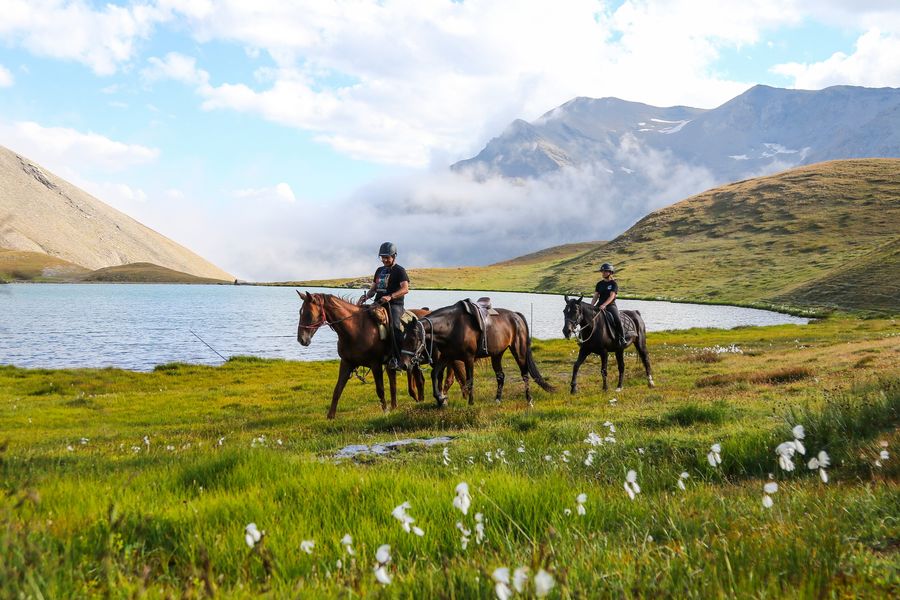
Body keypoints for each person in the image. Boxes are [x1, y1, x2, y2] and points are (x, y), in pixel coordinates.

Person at [358, 242, 410, 369]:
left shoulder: (400, 270)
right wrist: (366, 297)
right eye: (382, 257)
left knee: (394, 328)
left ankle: (397, 359)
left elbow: (405, 289)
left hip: (394, 305)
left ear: (394, 256)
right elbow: (374, 289)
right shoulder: (379, 270)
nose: (384, 260)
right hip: (378, 303)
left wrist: (390, 296)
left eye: (387, 257)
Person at [592, 262, 626, 347]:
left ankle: (622, 338)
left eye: (605, 271)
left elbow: (612, 296)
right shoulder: (599, 284)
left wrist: (605, 305)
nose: (603, 273)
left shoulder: (613, 284)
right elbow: (596, 296)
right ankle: (583, 337)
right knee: (588, 317)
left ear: (610, 272)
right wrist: (591, 305)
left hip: (610, 305)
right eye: (602, 271)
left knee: (617, 319)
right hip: (599, 305)